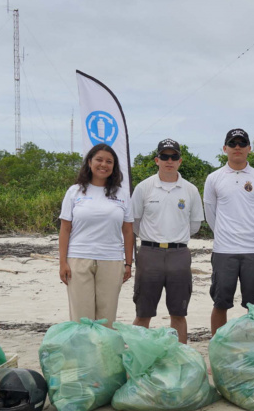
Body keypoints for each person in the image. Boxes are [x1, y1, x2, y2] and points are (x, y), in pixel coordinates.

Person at [130, 138, 203, 343]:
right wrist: (153, 239)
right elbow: (134, 222)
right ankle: (137, 355)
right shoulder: (143, 188)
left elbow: (194, 225)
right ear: (157, 160)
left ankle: (180, 356)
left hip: (179, 254)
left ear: (180, 160)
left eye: (173, 156)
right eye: (164, 156)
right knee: (143, 312)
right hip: (149, 254)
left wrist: (174, 239)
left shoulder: (190, 190)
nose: (169, 160)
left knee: (179, 312)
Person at [203, 128, 254, 335]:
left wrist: (252, 233)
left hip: (253, 250)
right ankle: (218, 345)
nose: (237, 147)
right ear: (225, 148)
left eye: (242, 143)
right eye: (233, 143)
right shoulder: (214, 178)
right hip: (224, 250)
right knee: (220, 303)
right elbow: (210, 213)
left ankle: (252, 347)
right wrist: (224, 234)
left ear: (249, 148)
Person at [58, 143, 134, 325]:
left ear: (114, 166)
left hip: (111, 260)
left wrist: (128, 264)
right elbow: (65, 229)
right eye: (99, 160)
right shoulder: (75, 191)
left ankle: (105, 346)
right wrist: (62, 262)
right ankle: (83, 346)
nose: (103, 165)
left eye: (109, 161)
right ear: (89, 162)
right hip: (78, 260)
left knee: (106, 318)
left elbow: (128, 231)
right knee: (81, 319)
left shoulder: (122, 194)